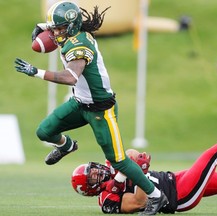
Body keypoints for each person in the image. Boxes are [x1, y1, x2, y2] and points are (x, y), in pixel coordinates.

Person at [13, 1, 167, 215]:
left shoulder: (80, 45)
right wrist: (42, 27)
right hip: (79, 103)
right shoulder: (70, 31)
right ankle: (67, 146)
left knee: (119, 161)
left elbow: (70, 77)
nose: (55, 33)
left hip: (101, 110)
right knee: (44, 131)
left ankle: (156, 196)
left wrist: (36, 72)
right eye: (54, 28)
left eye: (59, 29)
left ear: (72, 27)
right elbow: (52, 29)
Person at [71, 93, 217, 214]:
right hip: (179, 195)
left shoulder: (112, 166)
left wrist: (124, 171)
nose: (98, 172)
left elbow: (130, 152)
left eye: (93, 170)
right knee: (212, 155)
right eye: (93, 178)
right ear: (90, 189)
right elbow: (139, 202)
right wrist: (139, 172)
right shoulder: (107, 200)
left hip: (173, 178)